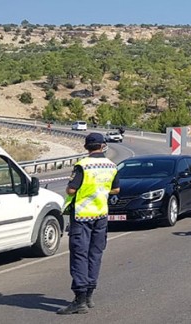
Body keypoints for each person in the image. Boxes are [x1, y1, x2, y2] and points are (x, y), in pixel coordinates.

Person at [57, 132, 120, 315]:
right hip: (101, 215)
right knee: (95, 254)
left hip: (83, 216)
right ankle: (90, 294)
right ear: (103, 146)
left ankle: (80, 299)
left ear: (86, 147)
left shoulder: (82, 165)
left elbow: (71, 189)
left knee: (79, 256)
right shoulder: (111, 166)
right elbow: (116, 189)